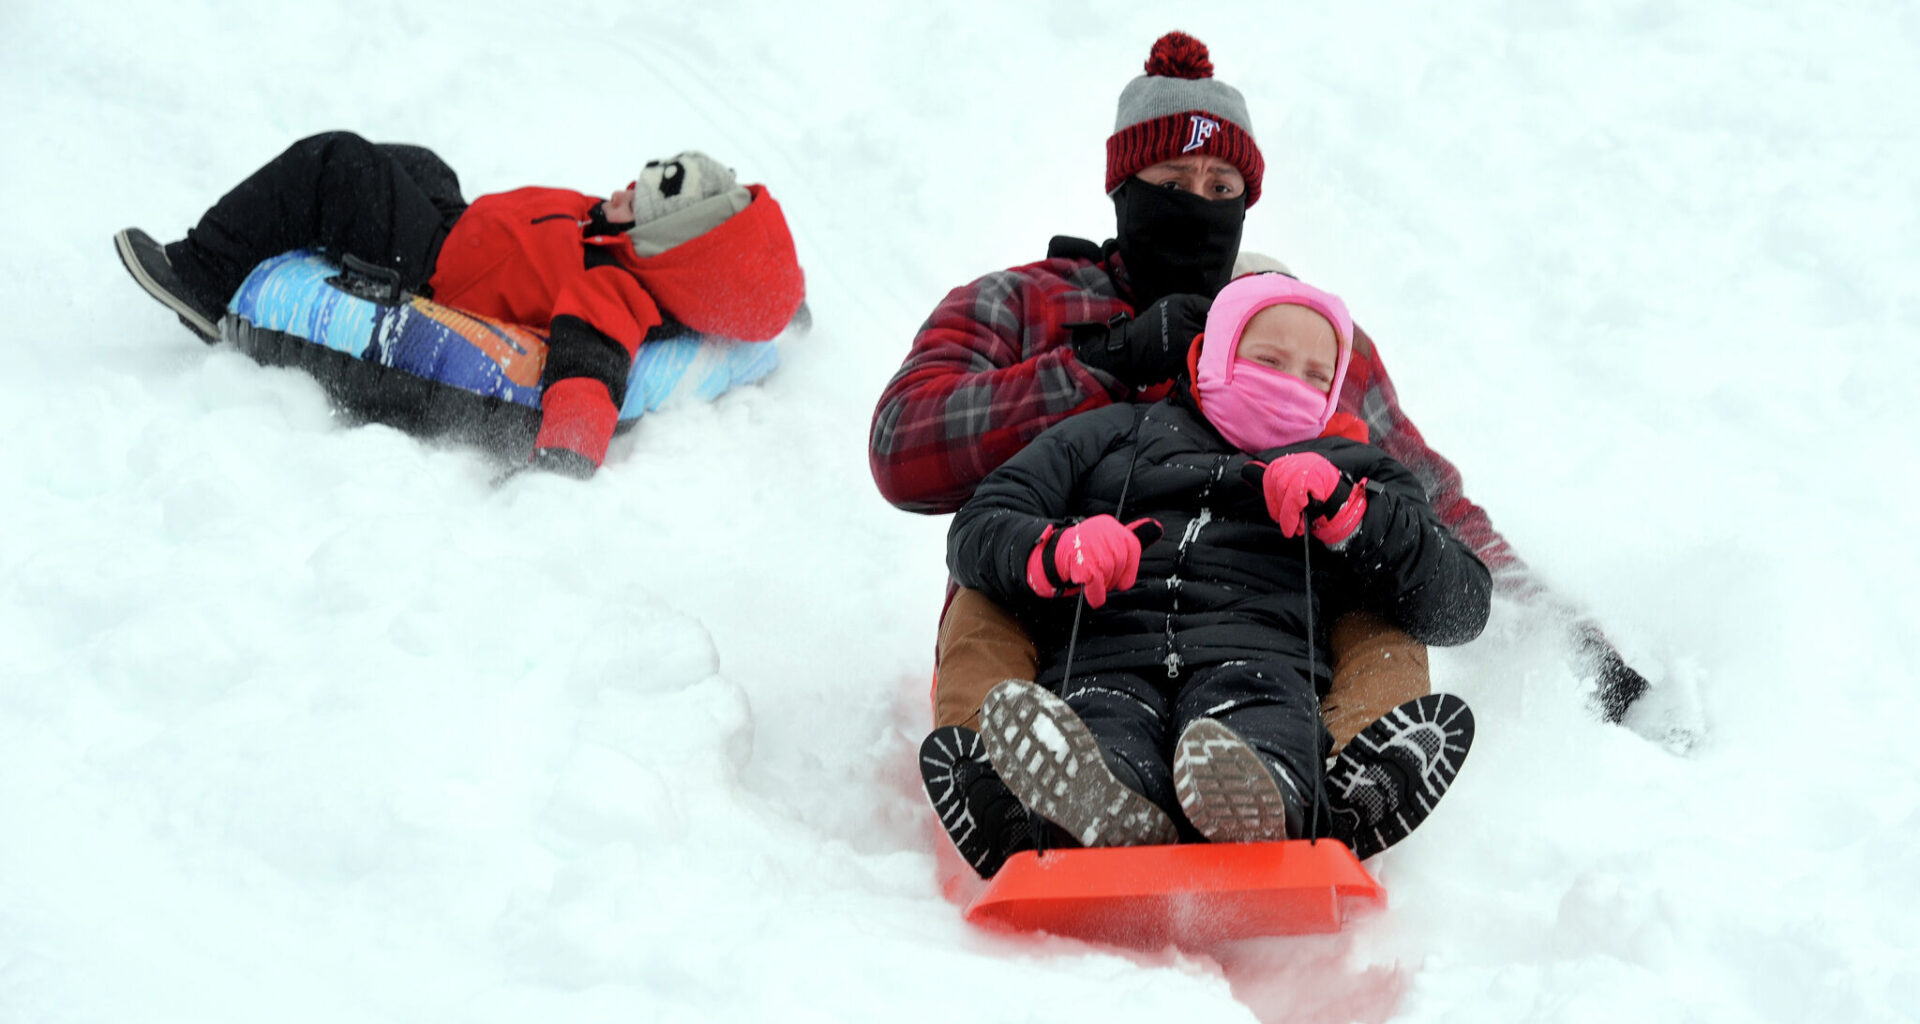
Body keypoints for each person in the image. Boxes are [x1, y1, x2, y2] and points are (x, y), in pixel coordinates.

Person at [871, 31, 1647, 770]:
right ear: (1123, 190)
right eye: (1172, 184)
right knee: (987, 589)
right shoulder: (1020, 303)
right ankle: (1006, 764)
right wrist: (1108, 361)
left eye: (1220, 187)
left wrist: (1562, 638)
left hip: (1259, 646)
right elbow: (905, 448)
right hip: (1066, 620)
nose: (1196, 202)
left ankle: (1348, 771)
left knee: (1374, 579)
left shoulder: (1300, 338)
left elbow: (1429, 505)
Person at [927, 274, 1488, 875]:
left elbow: (1461, 606)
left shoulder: (1357, 469)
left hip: (1262, 659)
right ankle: (1099, 808)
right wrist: (1059, 548)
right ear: (1213, 354)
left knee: (1256, 727)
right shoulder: (1109, 434)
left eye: (1315, 377)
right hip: (1108, 650)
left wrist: (1356, 515)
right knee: (1104, 728)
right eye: (1267, 360)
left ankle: (1268, 799)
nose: (1288, 385)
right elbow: (982, 521)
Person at [116, 131, 805, 477]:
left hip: (432, 270)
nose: (623, 190)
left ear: (664, 244)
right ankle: (287, 225)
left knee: (334, 163)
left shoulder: (614, 288)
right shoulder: (630, 244)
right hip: (459, 225)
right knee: (416, 163)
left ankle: (201, 277)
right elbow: (742, 279)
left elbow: (588, 372)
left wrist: (565, 459)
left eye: (640, 201)